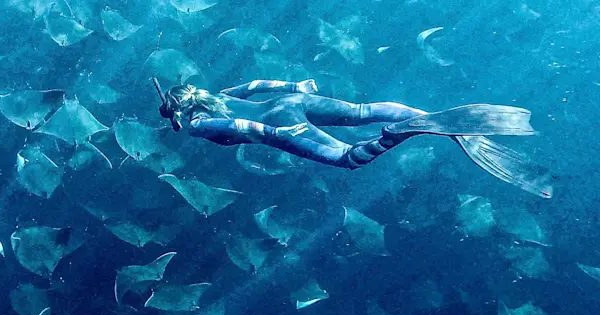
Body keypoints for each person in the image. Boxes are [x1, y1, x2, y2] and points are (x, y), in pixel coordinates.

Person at [152, 77, 553, 198]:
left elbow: (244, 129)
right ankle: (427, 118)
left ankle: (399, 132)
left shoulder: (198, 124)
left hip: (282, 126)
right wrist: (297, 85)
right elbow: (257, 82)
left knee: (347, 158)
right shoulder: (221, 95)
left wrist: (275, 135)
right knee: (361, 112)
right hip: (290, 101)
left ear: (180, 111)